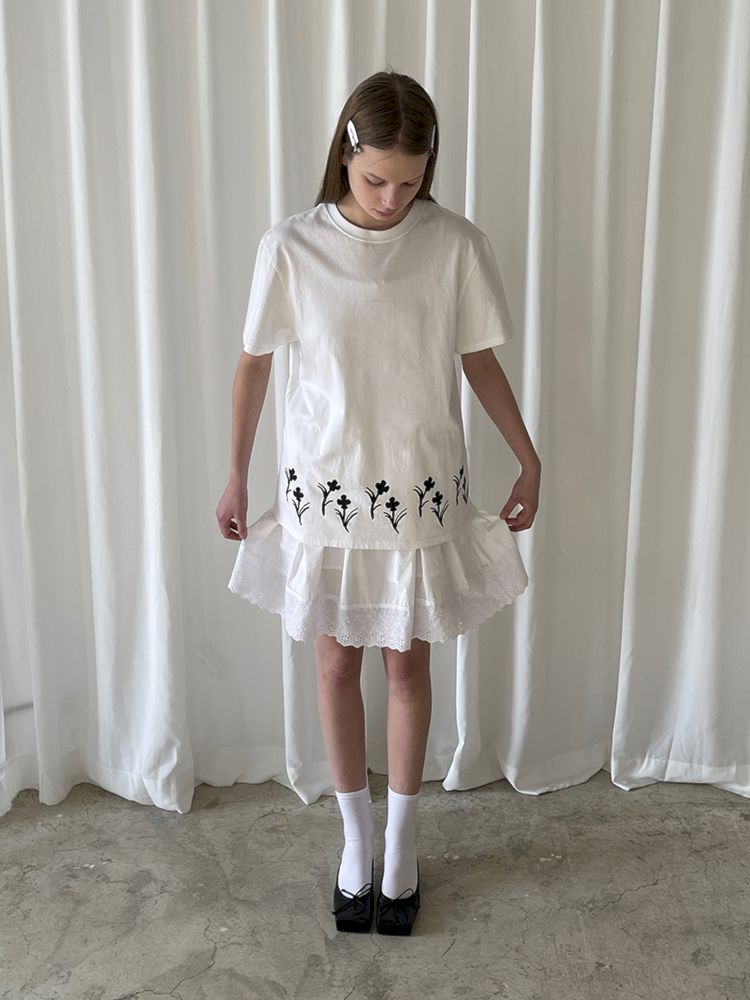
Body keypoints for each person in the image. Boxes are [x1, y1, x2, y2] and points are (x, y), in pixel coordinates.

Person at [216, 69, 540, 936]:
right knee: (334, 666)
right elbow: (254, 364)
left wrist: (527, 456)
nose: (393, 198)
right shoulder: (292, 247)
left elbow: (478, 361)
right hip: (326, 488)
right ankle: (354, 840)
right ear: (346, 155)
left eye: (410, 180)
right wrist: (237, 473)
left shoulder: (454, 245)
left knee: (405, 666)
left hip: (418, 486)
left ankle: (401, 845)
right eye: (375, 180)